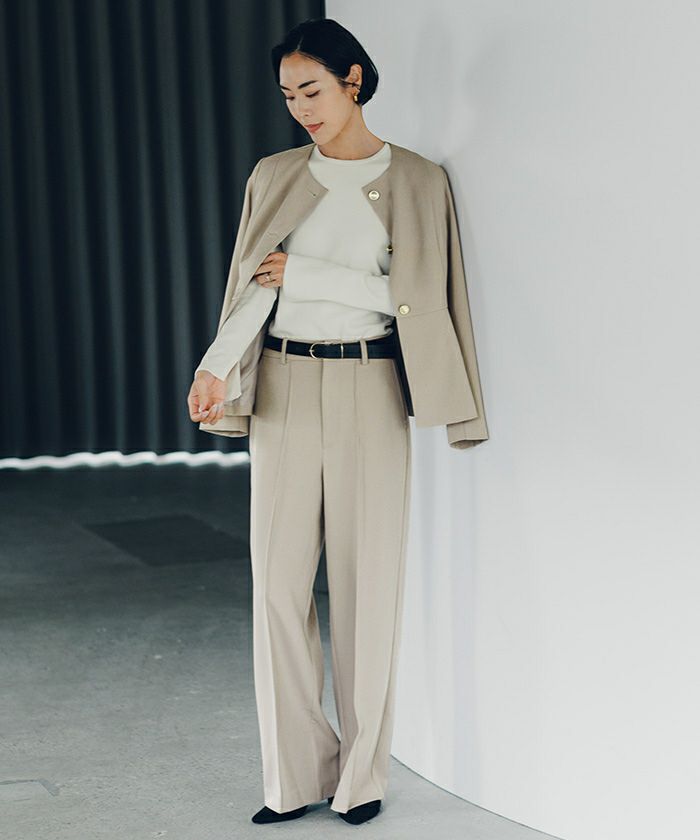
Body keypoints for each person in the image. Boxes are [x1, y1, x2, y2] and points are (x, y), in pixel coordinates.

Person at [187, 17, 488, 827]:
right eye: (288, 95)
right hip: (284, 389)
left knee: (366, 593)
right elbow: (255, 287)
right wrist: (216, 365)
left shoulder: (419, 180)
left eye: (313, 90)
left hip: (370, 389)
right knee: (278, 593)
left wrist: (310, 272)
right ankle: (292, 778)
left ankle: (361, 780)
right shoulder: (276, 175)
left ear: (354, 81)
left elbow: (416, 301)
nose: (301, 109)